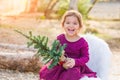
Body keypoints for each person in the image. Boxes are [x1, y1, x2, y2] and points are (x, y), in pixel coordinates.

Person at [39, 10, 100, 80]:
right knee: (48, 72)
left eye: (75, 23)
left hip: (75, 66)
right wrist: (61, 62)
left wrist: (75, 62)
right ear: (63, 25)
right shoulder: (60, 38)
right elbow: (55, 54)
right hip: (60, 64)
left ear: (79, 26)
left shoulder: (82, 42)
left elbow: (86, 57)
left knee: (72, 74)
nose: (71, 25)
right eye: (68, 23)